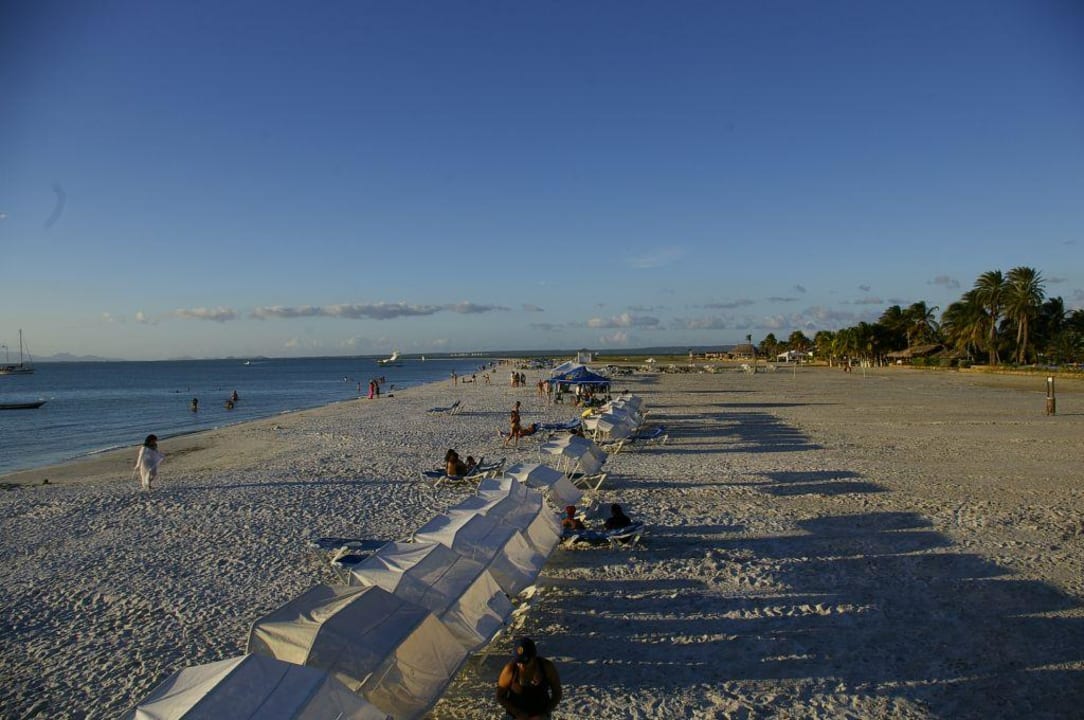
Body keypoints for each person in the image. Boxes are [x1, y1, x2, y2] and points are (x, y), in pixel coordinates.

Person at [497, 637, 562, 720]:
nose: (522, 666)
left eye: (526, 662)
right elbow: (500, 696)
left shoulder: (546, 667)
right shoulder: (510, 670)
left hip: (540, 714)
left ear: (533, 657)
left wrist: (545, 713)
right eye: (519, 662)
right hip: (515, 715)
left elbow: (557, 693)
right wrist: (517, 713)